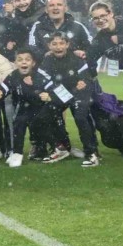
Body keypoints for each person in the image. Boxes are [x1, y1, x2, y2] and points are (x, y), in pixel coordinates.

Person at [0, 48, 68, 168]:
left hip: (44, 107)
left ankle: (59, 148)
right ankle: (17, 153)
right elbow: (4, 88)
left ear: (33, 63)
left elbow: (59, 92)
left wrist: (50, 96)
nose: (23, 62)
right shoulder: (12, 75)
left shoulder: (41, 75)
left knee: (39, 122)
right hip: (23, 106)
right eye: (20, 60)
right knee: (18, 122)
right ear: (15, 63)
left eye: (27, 60)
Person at [40, 32, 100, 167]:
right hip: (61, 94)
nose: (58, 47)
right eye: (54, 44)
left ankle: (91, 153)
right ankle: (62, 148)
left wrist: (83, 83)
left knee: (80, 117)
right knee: (44, 116)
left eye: (61, 43)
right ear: (49, 46)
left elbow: (86, 78)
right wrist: (53, 93)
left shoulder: (76, 59)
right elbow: (42, 79)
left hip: (79, 93)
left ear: (67, 44)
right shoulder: (47, 60)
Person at [28, 0, 92, 60]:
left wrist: (83, 53)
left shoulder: (78, 27)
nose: (55, 8)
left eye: (59, 5)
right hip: (46, 65)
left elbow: (90, 47)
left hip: (73, 65)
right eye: (51, 5)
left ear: (66, 8)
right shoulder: (38, 27)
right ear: (46, 10)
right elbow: (31, 47)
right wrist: (44, 55)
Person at [87, 2, 123, 98]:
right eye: (96, 18)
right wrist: (92, 77)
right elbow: (89, 58)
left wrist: (122, 39)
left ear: (111, 14)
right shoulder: (99, 40)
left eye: (103, 15)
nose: (100, 20)